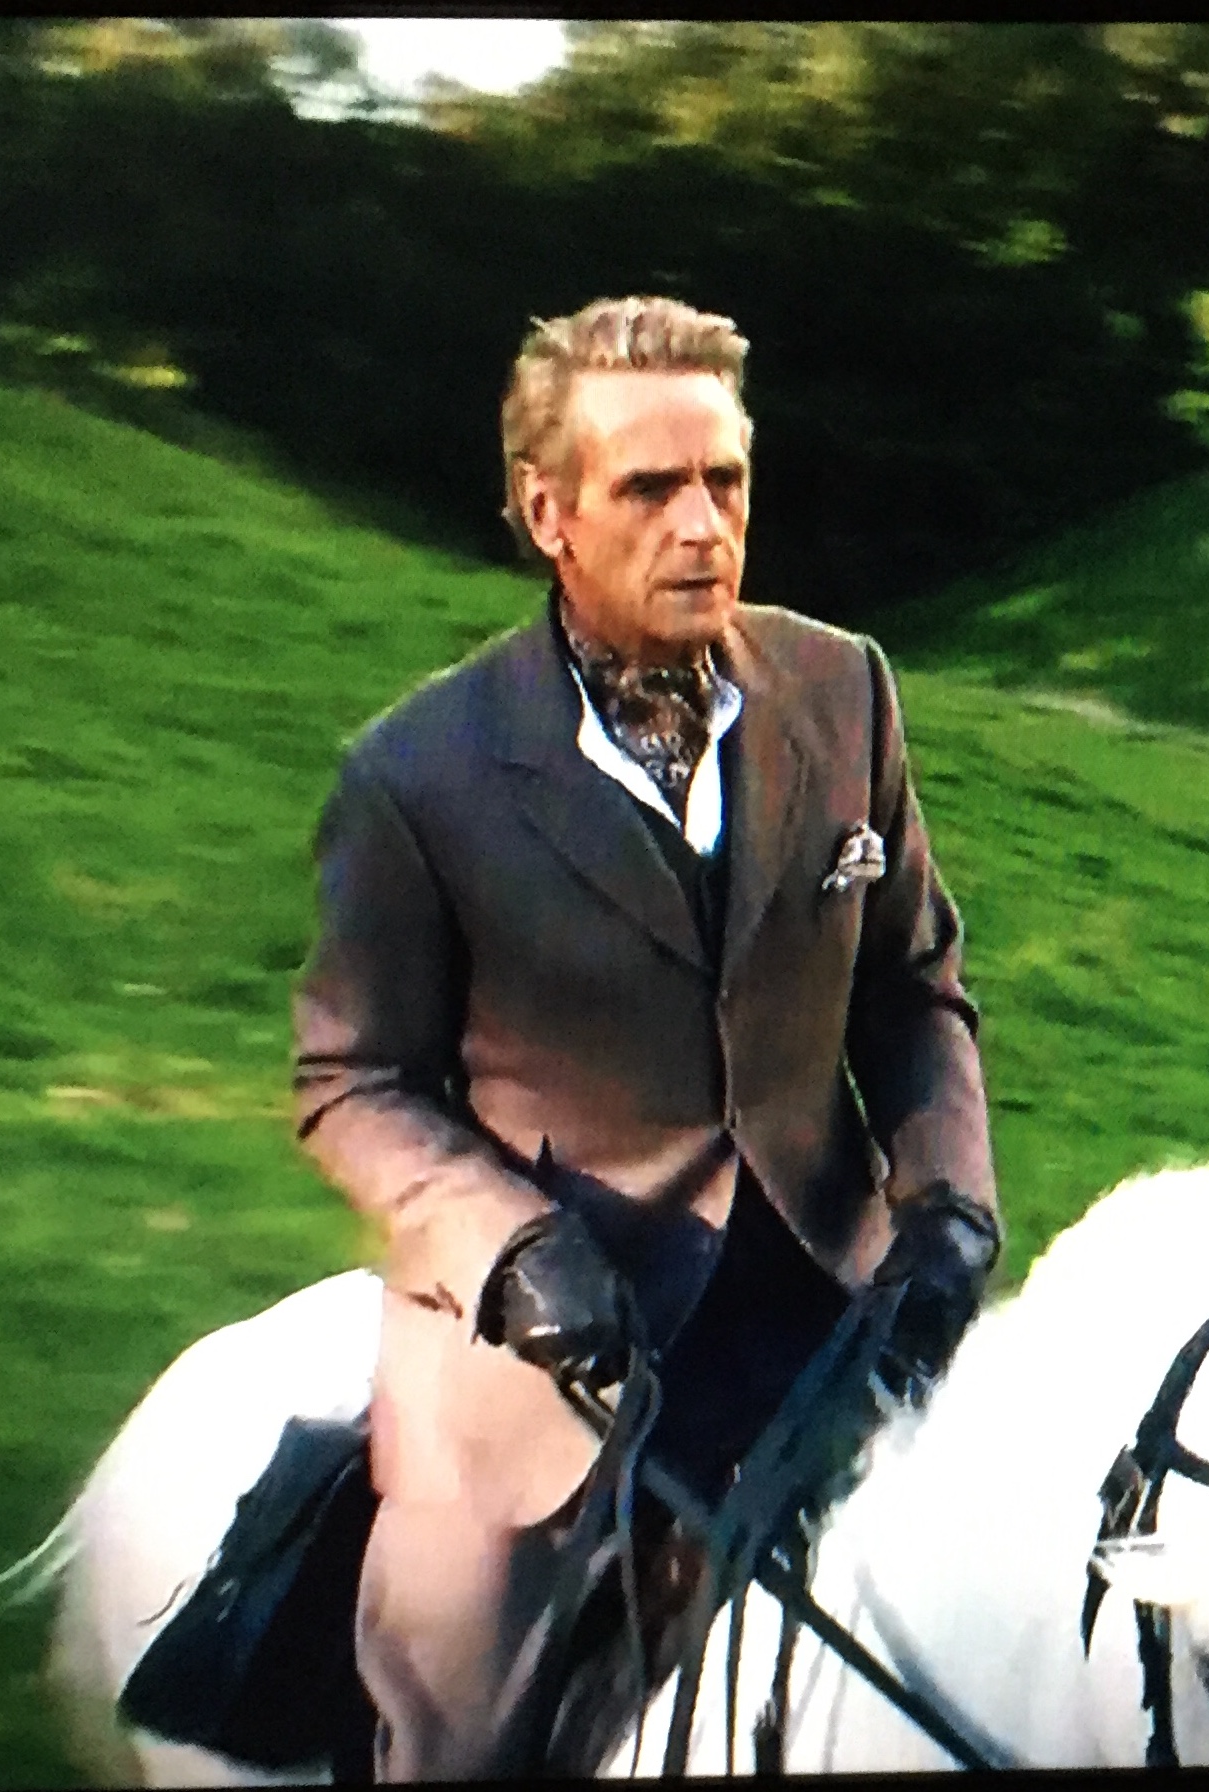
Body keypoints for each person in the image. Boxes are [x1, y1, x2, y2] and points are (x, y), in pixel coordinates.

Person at [289, 295, 1000, 1781]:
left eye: (724, 482)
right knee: (463, 1712)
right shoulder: (415, 778)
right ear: (547, 512)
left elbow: (912, 988)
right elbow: (354, 1081)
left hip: (830, 1302)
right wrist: (506, 1246)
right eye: (650, 489)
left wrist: (947, 1205)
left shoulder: (846, 692)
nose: (702, 527)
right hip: (552, 1345)